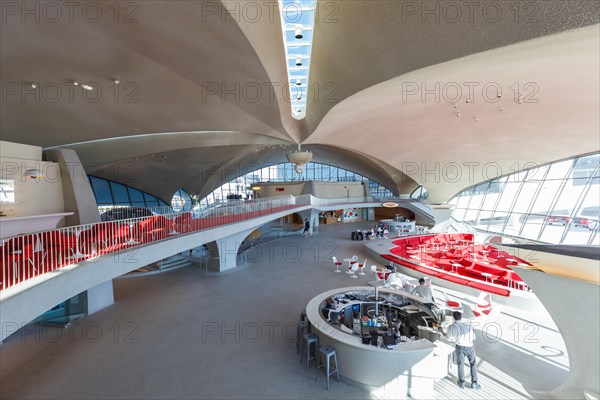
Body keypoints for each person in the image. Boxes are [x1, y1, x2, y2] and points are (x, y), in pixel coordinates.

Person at [442, 311, 481, 390]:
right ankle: (474, 383)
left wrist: (443, 333)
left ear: (453, 318)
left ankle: (461, 382)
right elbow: (474, 337)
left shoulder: (452, 326)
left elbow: (448, 338)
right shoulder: (468, 325)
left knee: (461, 365)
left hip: (460, 348)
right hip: (470, 347)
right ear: (461, 317)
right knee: (473, 364)